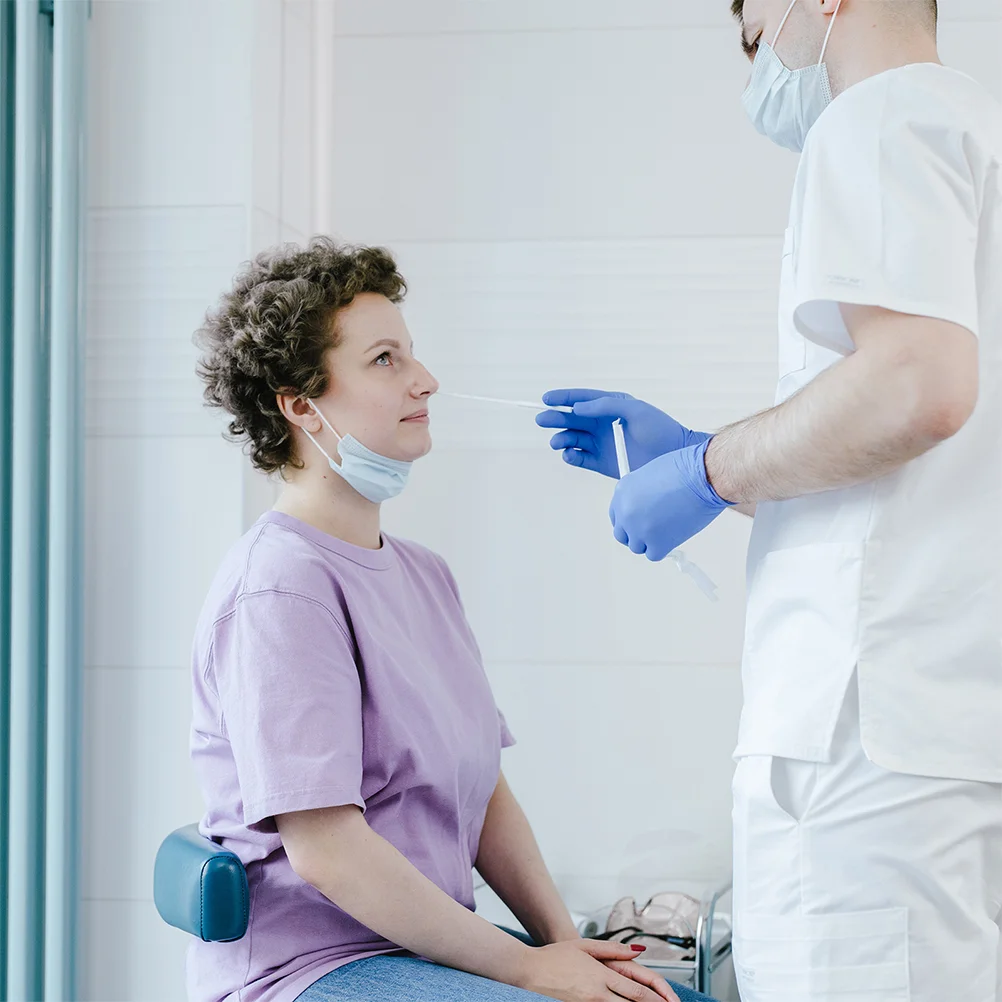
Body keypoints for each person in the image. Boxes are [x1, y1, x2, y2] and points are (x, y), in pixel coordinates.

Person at [537, 1, 1002, 999]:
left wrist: (708, 470)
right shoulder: (975, 131)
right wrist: (708, 454)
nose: (755, 56)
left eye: (750, 25)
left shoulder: (876, 118)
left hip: (865, 749)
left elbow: (920, 387)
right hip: (945, 729)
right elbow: (917, 467)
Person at [188, 238, 710, 1002]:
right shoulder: (280, 591)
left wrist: (568, 948)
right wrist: (529, 967)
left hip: (425, 949)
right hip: (314, 968)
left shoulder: (423, 574)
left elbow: (486, 793)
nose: (424, 381)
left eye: (412, 355)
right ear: (299, 404)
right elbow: (328, 851)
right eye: (384, 360)